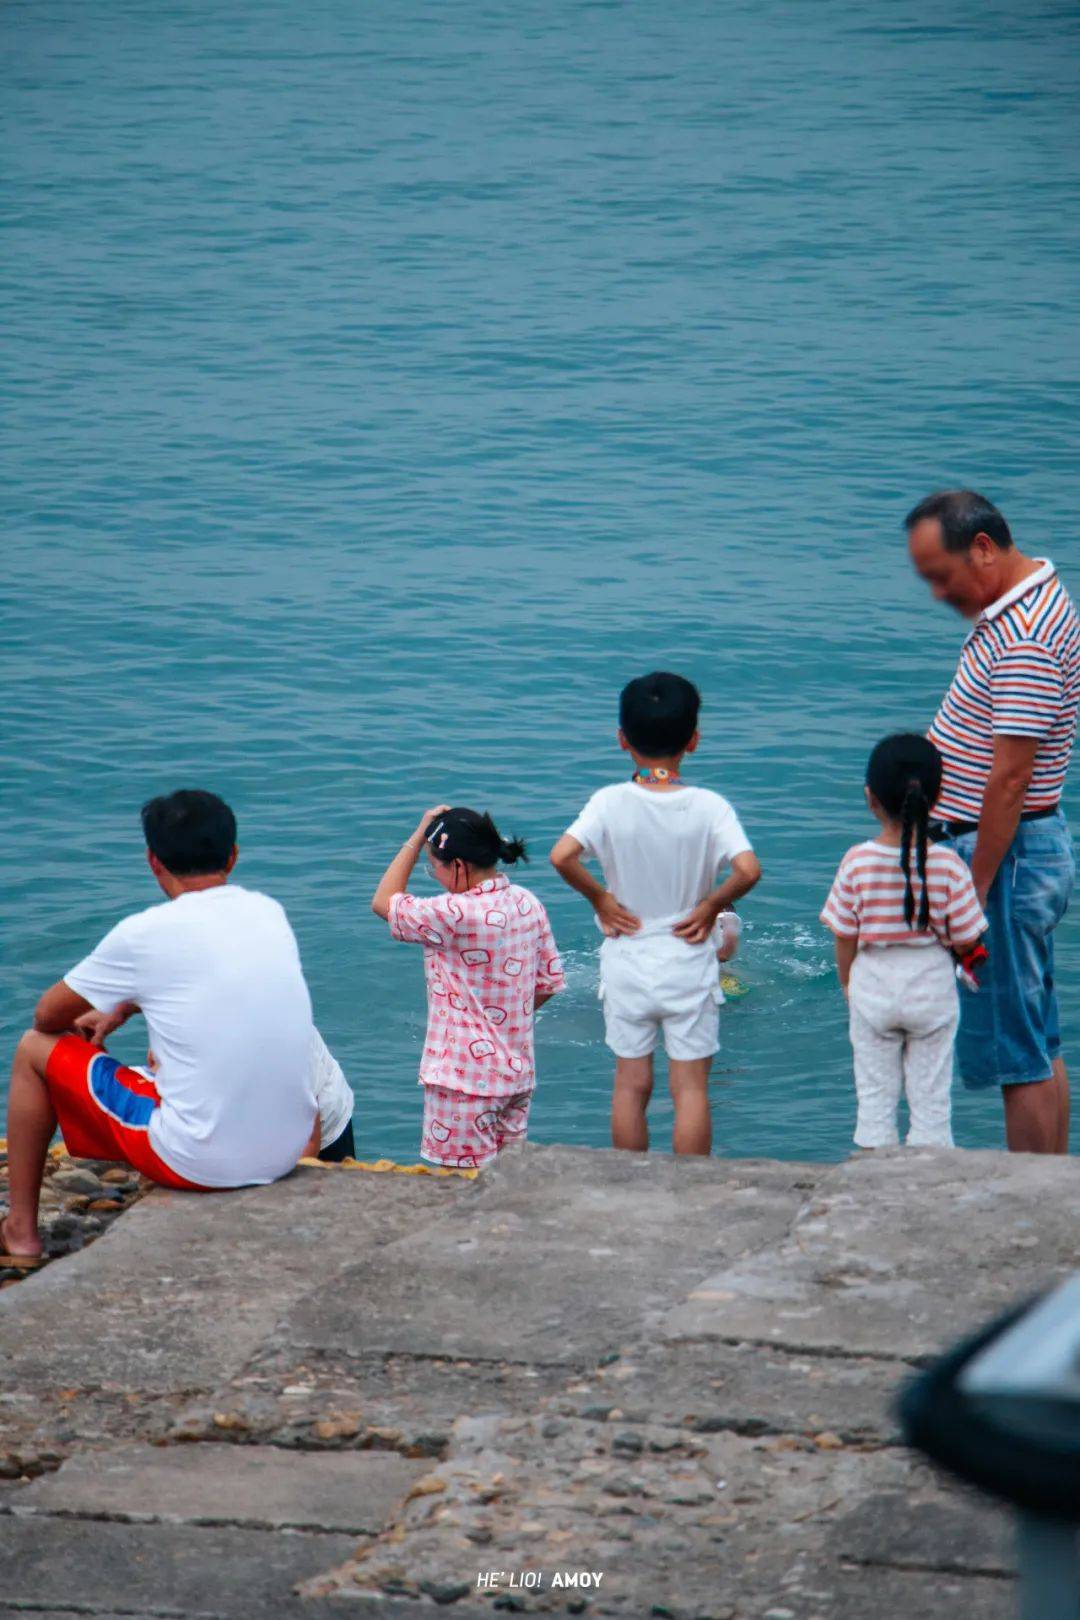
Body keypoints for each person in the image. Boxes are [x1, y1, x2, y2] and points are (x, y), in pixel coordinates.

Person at [2, 790, 322, 1265]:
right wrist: (124, 1006)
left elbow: (48, 1016)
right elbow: (208, 977)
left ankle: (21, 1233)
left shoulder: (143, 932)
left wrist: (111, 1002)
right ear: (233, 856)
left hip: (198, 1160)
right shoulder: (267, 912)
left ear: (154, 861)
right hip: (285, 1152)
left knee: (34, 1048)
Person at [907, 491, 1078, 1153]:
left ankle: (1033, 1206)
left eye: (942, 575)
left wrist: (971, 892)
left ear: (982, 547)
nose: (938, 593)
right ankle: (1058, 1196)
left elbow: (1009, 781)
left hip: (1002, 860)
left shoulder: (1026, 637)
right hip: (1018, 852)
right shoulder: (1028, 608)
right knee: (1035, 1039)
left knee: (1016, 1056)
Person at [550, 671, 761, 1156]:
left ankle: (630, 1183)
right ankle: (690, 1189)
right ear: (694, 740)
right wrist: (709, 906)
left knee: (631, 1084)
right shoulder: (710, 806)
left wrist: (601, 899)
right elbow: (748, 870)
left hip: (628, 959)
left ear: (622, 739)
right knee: (689, 1089)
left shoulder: (608, 802)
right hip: (687, 958)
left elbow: (562, 856)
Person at [371, 805, 565, 1169]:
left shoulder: (451, 913)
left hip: (463, 1084)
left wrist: (417, 836)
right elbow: (549, 984)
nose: (435, 875)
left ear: (459, 866)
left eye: (435, 866)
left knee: (459, 1193)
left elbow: (383, 901)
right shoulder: (528, 904)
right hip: (515, 1077)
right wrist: (501, 1020)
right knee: (504, 1187)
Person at [821, 734, 987, 1149]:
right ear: (939, 795)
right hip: (930, 989)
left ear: (870, 798)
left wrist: (847, 984)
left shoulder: (856, 860)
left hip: (873, 989)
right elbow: (968, 939)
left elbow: (845, 934)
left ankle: (869, 1187)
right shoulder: (948, 864)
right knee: (932, 1107)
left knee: (874, 1105)